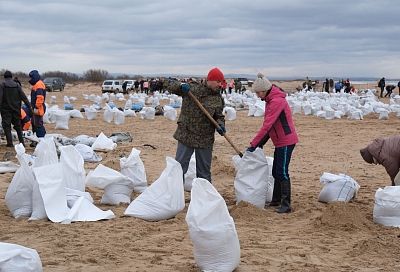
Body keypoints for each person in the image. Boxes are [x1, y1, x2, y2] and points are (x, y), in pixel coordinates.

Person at [246, 73, 298, 213]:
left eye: (258, 93)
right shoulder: (270, 100)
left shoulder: (276, 101)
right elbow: (271, 125)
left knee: (282, 172)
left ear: (264, 90)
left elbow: (267, 125)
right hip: (279, 141)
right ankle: (276, 200)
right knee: (276, 171)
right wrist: (261, 142)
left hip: (286, 141)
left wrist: (254, 144)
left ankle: (286, 204)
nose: (257, 96)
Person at [168, 67, 225, 183]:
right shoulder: (192, 89)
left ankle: (204, 198)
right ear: (210, 80)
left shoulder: (218, 98)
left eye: (221, 83)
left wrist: (220, 124)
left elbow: (219, 116)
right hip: (186, 134)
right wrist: (180, 86)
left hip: (205, 138)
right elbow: (169, 85)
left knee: (204, 172)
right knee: (179, 169)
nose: (220, 85)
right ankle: (175, 196)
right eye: (218, 82)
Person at [0, 70, 31, 146]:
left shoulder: (2, 85)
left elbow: (0, 98)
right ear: (11, 77)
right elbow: (24, 97)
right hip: (16, 110)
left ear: (5, 77)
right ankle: (22, 142)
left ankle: (10, 143)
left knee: (7, 126)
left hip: (5, 110)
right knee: (18, 126)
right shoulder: (17, 85)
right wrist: (29, 107)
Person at [28, 70, 46, 139]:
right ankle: (37, 139)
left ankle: (41, 140)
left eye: (31, 77)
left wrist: (36, 107)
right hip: (37, 108)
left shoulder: (39, 85)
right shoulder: (37, 84)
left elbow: (40, 97)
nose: (30, 79)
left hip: (38, 108)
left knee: (38, 124)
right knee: (35, 123)